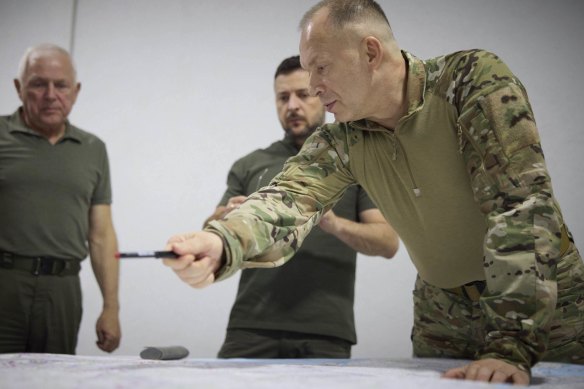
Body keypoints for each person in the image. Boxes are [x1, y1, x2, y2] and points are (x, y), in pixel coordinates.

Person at [163, 0, 583, 385]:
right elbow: (284, 201)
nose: (314, 85)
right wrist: (220, 242)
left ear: (369, 52)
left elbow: (522, 206)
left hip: (542, 304)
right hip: (442, 312)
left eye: (321, 68)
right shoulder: (341, 140)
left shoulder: (469, 82)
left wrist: (511, 343)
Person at [204, 55, 398, 359]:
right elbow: (211, 229)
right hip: (251, 325)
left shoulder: (354, 161)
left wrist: (333, 223)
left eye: (302, 94)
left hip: (325, 329)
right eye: (283, 97)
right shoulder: (249, 164)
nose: (292, 105)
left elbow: (388, 243)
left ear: (322, 95)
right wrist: (228, 216)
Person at [0, 43, 121, 354]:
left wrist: (111, 307)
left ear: (76, 90)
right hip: (5, 282)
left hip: (62, 290)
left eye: (61, 85)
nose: (51, 94)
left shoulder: (93, 149)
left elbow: (101, 235)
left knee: (55, 379)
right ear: (18, 87)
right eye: (39, 83)